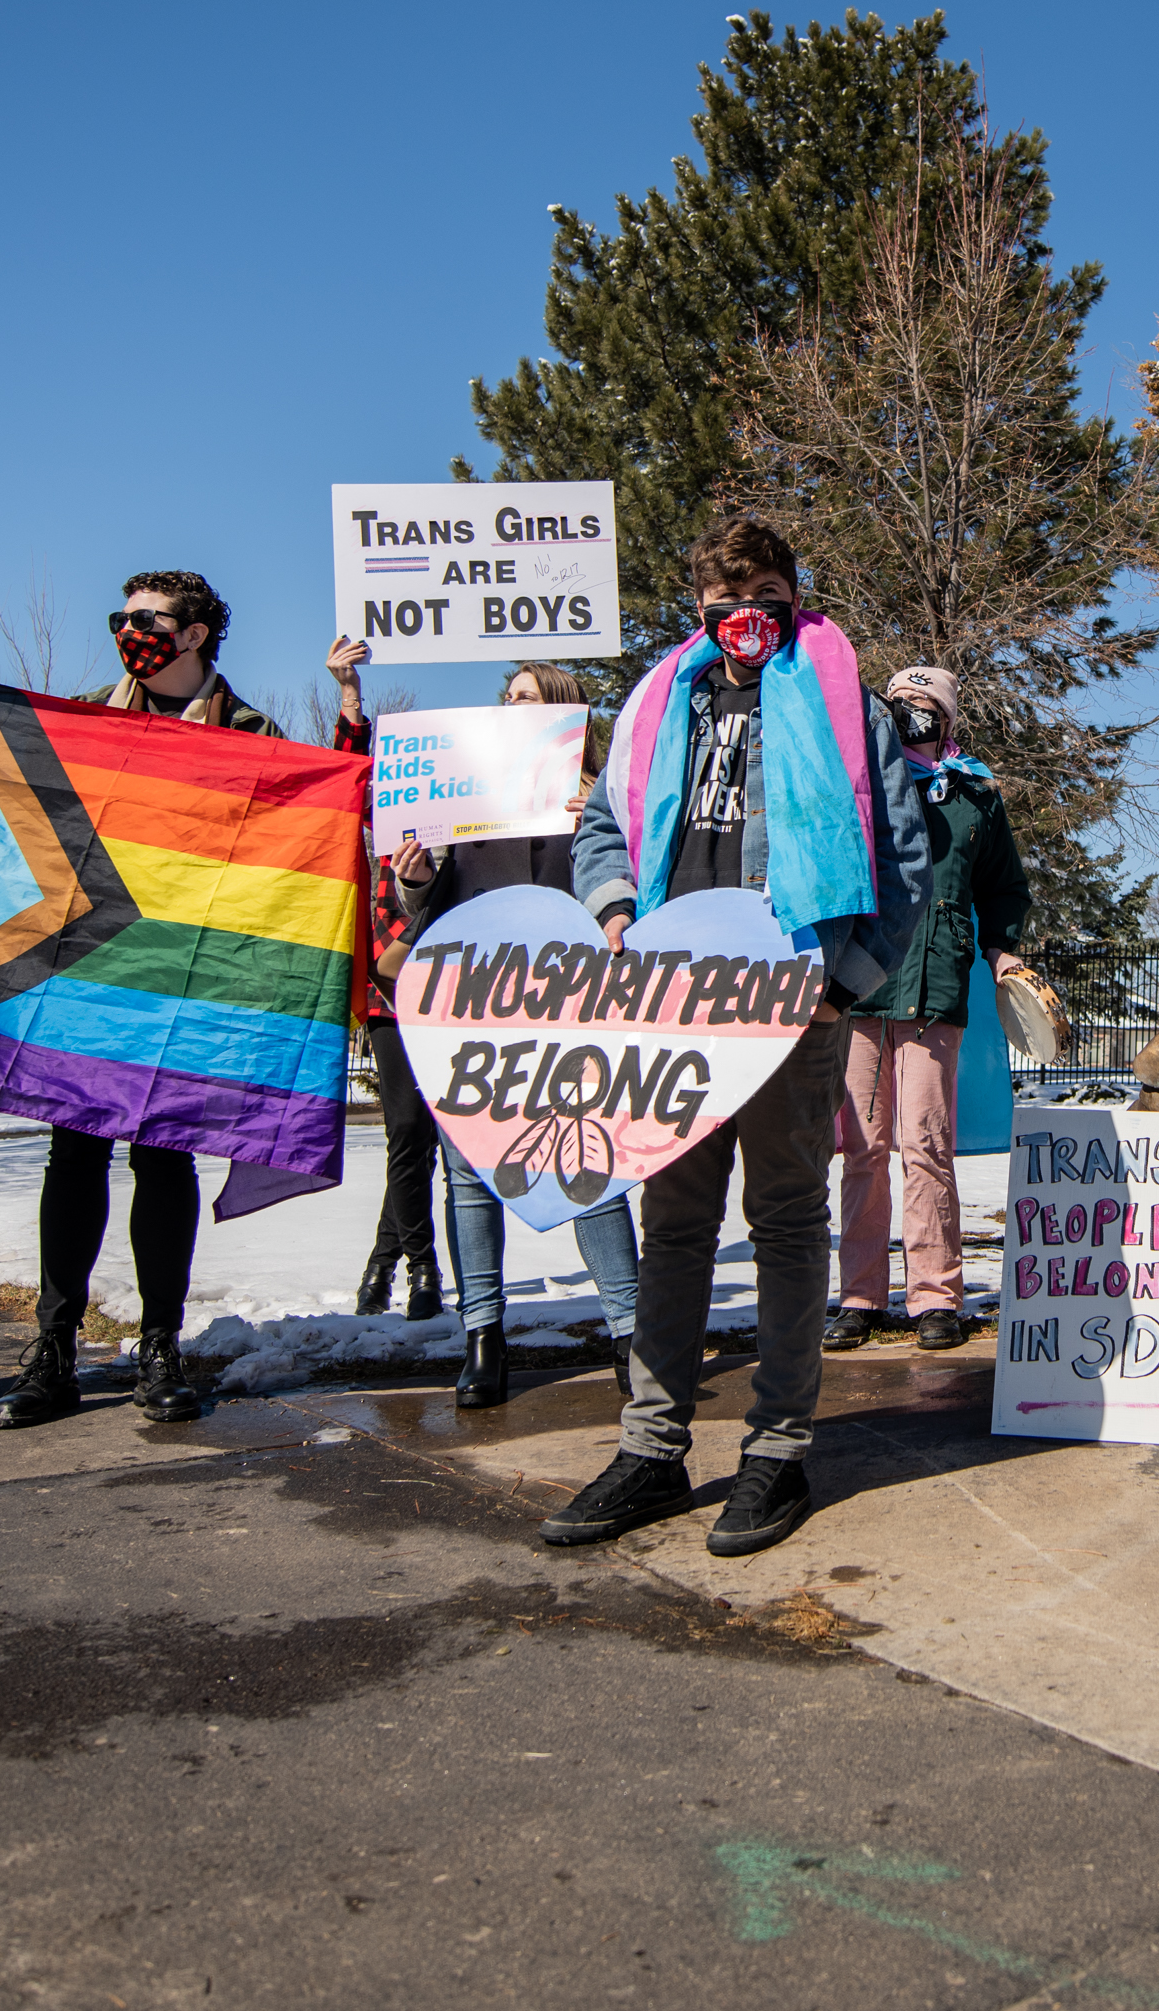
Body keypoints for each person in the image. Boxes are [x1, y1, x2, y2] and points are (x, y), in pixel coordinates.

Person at [547, 517, 933, 1559]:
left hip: (791, 1004)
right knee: (671, 1226)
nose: (739, 620)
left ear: (790, 600)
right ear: (698, 609)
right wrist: (617, 911)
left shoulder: (841, 700)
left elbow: (905, 859)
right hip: (676, 1009)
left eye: (760, 597)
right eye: (721, 603)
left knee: (786, 1225)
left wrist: (842, 986)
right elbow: (600, 829)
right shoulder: (657, 699)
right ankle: (651, 1447)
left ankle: (776, 1451)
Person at [0, 575, 285, 1431]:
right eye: (121, 618)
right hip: (91, 969)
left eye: (145, 619)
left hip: (187, 979)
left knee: (165, 1158)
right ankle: (53, 1349)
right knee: (72, 1158)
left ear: (193, 635)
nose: (126, 631)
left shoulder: (254, 735)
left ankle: (160, 1345)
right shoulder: (78, 717)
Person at [390, 661, 645, 1409]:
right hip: (471, 999)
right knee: (469, 1171)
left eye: (525, 698)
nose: (508, 707)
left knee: (587, 1162)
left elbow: (635, 890)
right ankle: (482, 1339)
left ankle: (630, 1335)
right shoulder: (464, 792)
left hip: (567, 1002)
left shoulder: (601, 793)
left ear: (561, 712)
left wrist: (600, 825)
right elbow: (429, 904)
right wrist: (415, 874)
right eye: (505, 697)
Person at [830, 666, 1033, 1353]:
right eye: (901, 703)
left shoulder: (976, 796)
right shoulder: (860, 784)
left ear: (948, 719)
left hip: (933, 986)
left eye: (925, 704)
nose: (912, 712)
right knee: (861, 1146)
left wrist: (1004, 950)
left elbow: (1005, 885)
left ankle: (935, 1295)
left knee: (926, 1143)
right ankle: (859, 1295)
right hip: (857, 986)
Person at [323, 638, 448, 1331]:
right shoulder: (370, 809)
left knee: (421, 1135)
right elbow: (343, 771)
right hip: (386, 986)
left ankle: (382, 1255)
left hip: (458, 987)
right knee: (405, 1124)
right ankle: (421, 1265)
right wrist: (350, 697)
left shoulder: (459, 813)